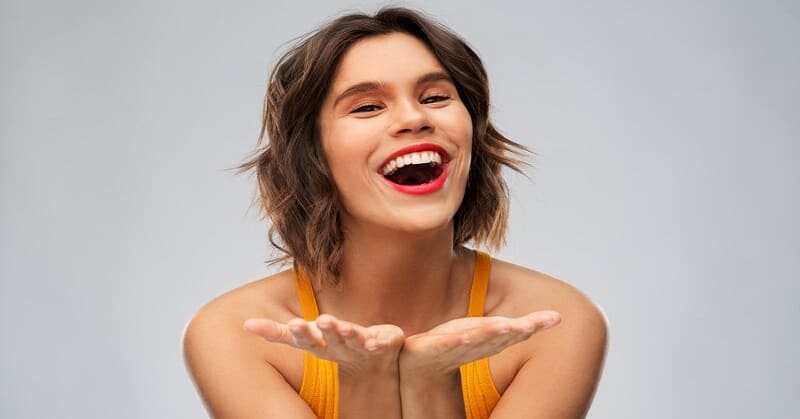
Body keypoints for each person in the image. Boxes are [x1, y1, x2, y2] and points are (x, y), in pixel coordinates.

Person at [183, 7, 607, 419]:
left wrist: (430, 380)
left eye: (435, 96)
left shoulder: (554, 322)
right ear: (312, 156)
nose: (413, 117)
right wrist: (366, 380)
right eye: (367, 106)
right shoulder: (235, 333)